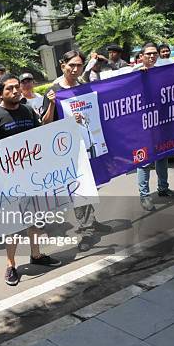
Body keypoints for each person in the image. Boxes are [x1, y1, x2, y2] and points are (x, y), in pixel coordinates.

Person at [0, 74, 62, 285]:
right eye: (10, 89)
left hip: (31, 177)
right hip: (8, 181)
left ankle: (36, 255)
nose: (15, 91)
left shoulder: (27, 110)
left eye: (17, 87)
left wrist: (54, 106)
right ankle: (10, 265)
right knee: (14, 224)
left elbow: (41, 131)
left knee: (34, 219)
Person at [42, 51, 110, 251]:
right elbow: (45, 123)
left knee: (90, 187)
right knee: (78, 189)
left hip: (88, 145)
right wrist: (53, 104)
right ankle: (86, 230)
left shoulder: (83, 88)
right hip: (66, 150)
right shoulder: (53, 91)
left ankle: (91, 221)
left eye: (79, 65)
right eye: (71, 65)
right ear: (62, 65)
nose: (75, 69)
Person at [132, 42, 174, 211]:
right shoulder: (134, 73)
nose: (152, 56)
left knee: (162, 155)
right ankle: (144, 196)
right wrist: (138, 76)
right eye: (148, 54)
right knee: (144, 160)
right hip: (143, 125)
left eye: (155, 54)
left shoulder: (163, 70)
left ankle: (163, 188)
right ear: (141, 57)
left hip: (161, 122)